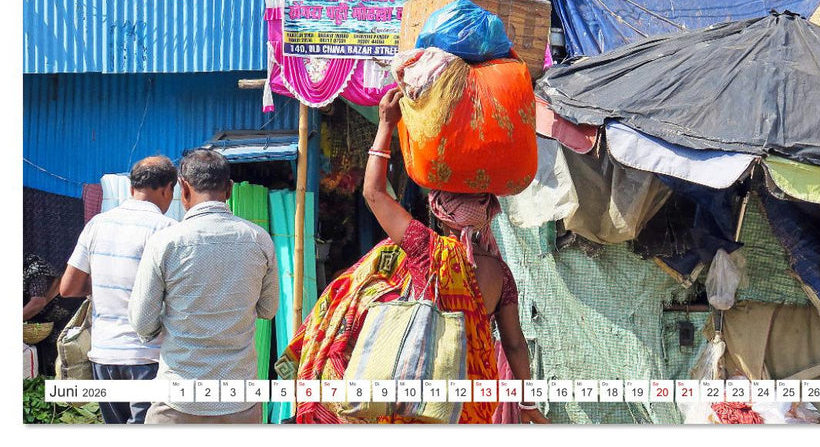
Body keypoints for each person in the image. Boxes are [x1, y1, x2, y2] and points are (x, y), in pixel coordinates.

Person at [279, 88, 549, 424]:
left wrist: (386, 126)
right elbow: (514, 345)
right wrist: (528, 406)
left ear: (438, 209)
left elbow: (374, 193)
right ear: (486, 211)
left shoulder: (426, 249)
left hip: (421, 403)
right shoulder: (501, 273)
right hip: (469, 409)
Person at [129, 149, 278, 424]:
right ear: (230, 189)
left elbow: (142, 323)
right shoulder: (259, 239)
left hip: (178, 399)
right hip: (239, 398)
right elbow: (268, 310)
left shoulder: (166, 243)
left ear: (183, 189)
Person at [60, 155, 178, 424]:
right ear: (168, 188)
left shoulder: (97, 224)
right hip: (147, 356)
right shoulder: (168, 229)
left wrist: (106, 280)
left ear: (130, 188)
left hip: (104, 354)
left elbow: (68, 287)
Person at [24, 253, 75, 376]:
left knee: (58, 357)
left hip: (61, 313)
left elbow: (38, 303)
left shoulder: (35, 266)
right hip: (38, 323)